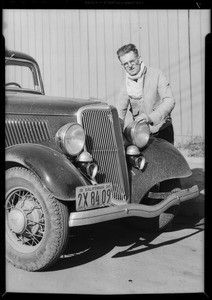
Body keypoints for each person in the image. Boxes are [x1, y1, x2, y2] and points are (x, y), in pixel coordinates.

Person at [116, 43, 175, 144]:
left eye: (132, 61)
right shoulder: (125, 84)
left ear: (138, 59)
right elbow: (119, 113)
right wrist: (117, 133)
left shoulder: (157, 75)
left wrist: (150, 118)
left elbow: (169, 101)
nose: (130, 66)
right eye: (125, 64)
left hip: (162, 131)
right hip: (140, 135)